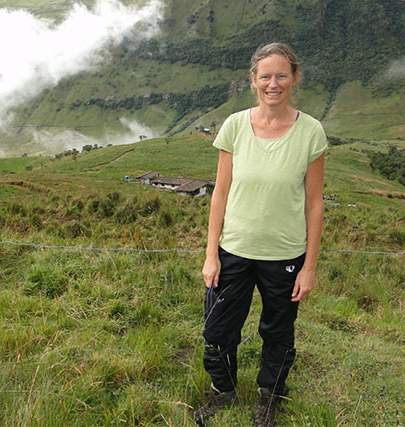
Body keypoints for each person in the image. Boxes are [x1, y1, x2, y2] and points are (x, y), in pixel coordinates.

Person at [193, 42, 327, 427]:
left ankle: (270, 397)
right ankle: (224, 390)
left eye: (281, 75)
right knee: (218, 330)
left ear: (294, 78)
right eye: (265, 76)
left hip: (285, 255)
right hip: (233, 249)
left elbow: (314, 203)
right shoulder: (235, 126)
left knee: (278, 332)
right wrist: (211, 254)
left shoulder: (311, 132)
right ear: (253, 81)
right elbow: (220, 192)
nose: (274, 83)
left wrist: (309, 267)